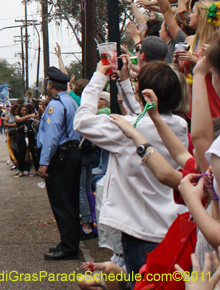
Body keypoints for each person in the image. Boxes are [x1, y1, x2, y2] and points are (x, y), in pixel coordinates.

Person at [74, 61, 188, 278]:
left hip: (141, 231)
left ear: (143, 93)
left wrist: (99, 76)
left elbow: (81, 122)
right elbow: (147, 116)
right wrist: (127, 83)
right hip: (174, 227)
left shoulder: (127, 129)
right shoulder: (179, 126)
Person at [37, 66, 81, 261]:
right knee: (71, 202)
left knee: (61, 202)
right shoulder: (71, 101)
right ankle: (71, 242)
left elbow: (51, 135)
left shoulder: (55, 105)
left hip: (60, 157)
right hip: (72, 153)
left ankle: (68, 247)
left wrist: (44, 162)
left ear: (51, 84)